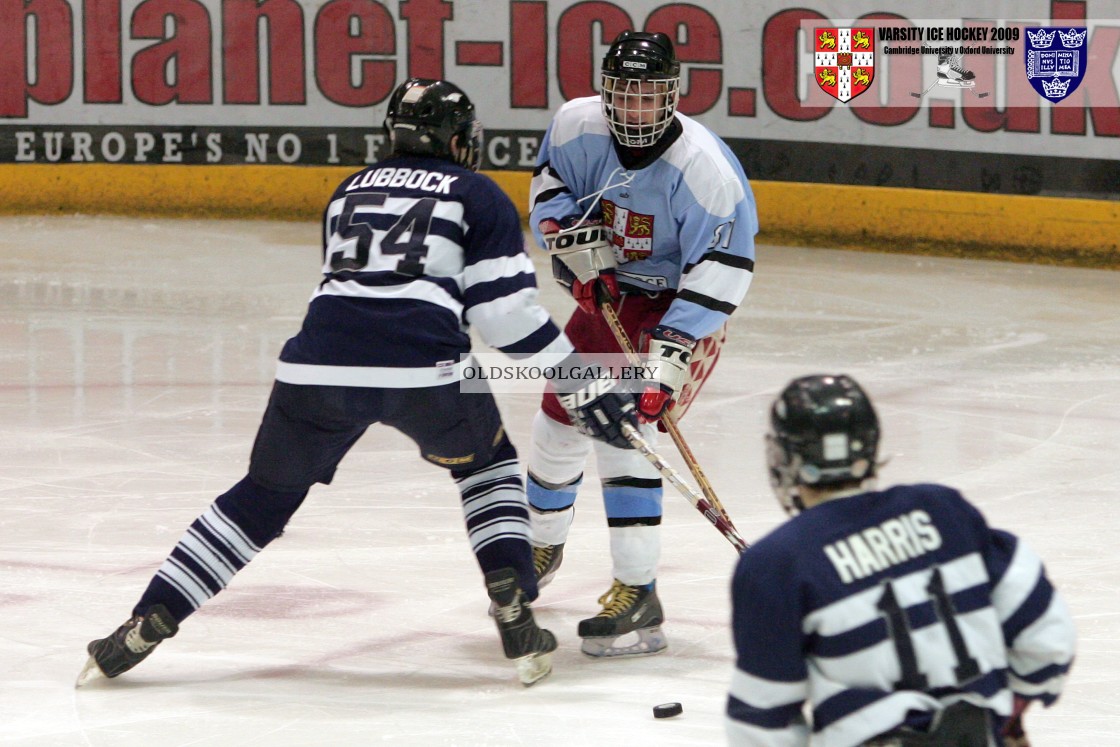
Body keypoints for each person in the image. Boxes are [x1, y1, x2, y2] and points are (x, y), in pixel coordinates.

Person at [76, 78, 639, 689]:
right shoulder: (477, 195)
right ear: (457, 139)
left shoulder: (348, 190)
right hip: (425, 369)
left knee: (261, 497)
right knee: (487, 467)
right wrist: (580, 377)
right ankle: (512, 599)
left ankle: (146, 620)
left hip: (315, 368)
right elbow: (504, 318)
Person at [524, 29, 759, 657]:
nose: (634, 109)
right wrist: (571, 238)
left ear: (672, 95)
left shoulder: (704, 171)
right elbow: (550, 184)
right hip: (609, 296)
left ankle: (638, 591)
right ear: (605, 93)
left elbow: (726, 268)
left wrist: (671, 353)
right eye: (623, 95)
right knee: (556, 419)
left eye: (648, 95)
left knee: (626, 433)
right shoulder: (576, 126)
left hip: (675, 308)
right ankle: (540, 545)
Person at [727, 374, 1076, 746]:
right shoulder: (944, 509)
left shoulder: (777, 563)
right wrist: (1011, 718)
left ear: (784, 457)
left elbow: (762, 721)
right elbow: (1046, 637)